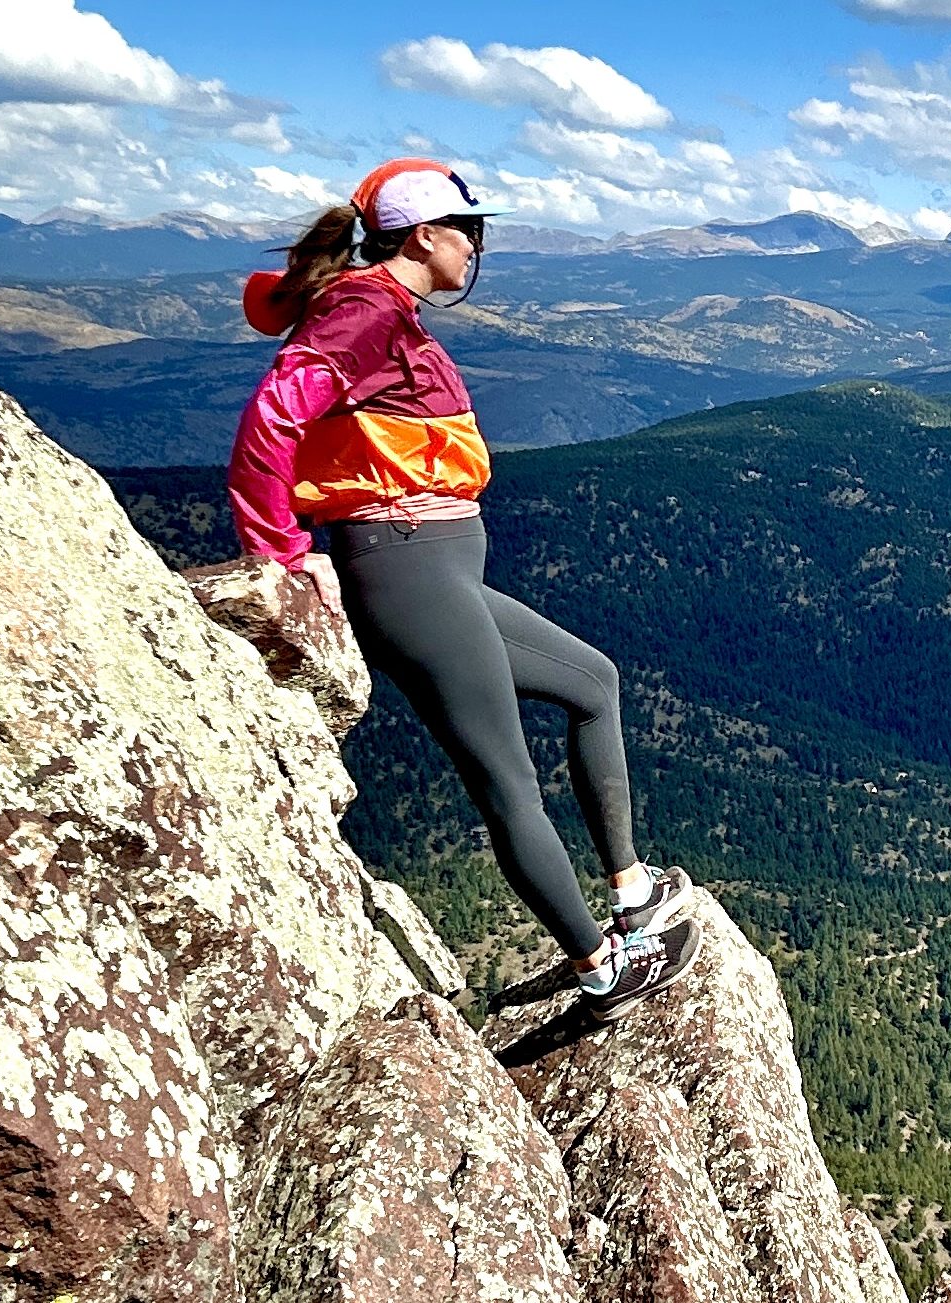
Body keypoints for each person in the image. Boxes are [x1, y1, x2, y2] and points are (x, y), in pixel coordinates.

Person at [226, 158, 698, 1021]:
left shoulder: (382, 309)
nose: (477, 246)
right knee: (506, 779)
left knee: (594, 682)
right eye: (468, 230)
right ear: (425, 236)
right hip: (403, 565)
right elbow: (273, 416)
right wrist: (283, 552)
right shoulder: (365, 310)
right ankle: (602, 969)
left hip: (436, 563)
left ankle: (631, 891)